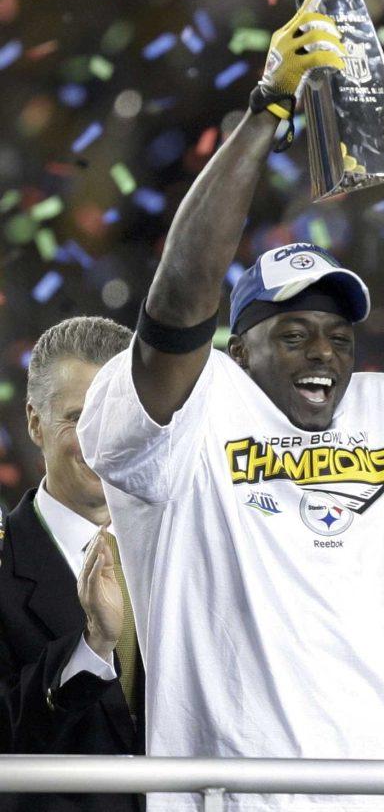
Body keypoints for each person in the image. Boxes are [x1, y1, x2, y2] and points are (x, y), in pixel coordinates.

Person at [77, 0, 384, 812]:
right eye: (292, 334)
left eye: (339, 334)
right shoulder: (192, 412)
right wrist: (265, 108)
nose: (324, 352)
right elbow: (177, 304)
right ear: (235, 347)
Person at [1, 316, 142, 812]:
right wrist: (92, 645)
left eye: (116, 419)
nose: (101, 442)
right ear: (35, 423)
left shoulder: (183, 550)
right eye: (80, 419)